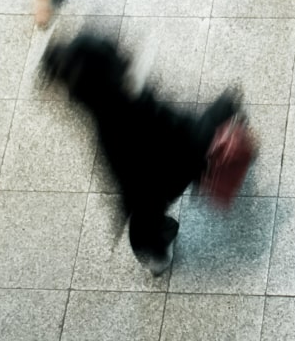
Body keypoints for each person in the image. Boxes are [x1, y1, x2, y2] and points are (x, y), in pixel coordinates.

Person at [42, 33, 254, 276]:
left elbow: (127, 178)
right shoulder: (131, 94)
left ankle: (158, 256)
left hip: (160, 180)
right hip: (183, 149)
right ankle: (230, 110)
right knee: (206, 130)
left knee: (143, 233)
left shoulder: (110, 126)